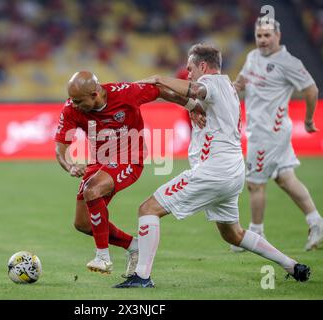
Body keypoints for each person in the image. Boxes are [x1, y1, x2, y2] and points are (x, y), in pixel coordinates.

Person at [114, 43, 311, 288]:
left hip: (214, 171)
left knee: (147, 210)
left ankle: (142, 277)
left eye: (190, 69)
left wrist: (155, 79)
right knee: (233, 234)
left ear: (203, 66)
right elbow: (182, 97)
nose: (188, 73)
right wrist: (178, 101)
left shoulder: (214, 83)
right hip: (232, 171)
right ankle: (291, 265)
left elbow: (194, 89)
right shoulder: (225, 88)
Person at [54, 71, 199, 275]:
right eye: (72, 100)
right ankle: (135, 246)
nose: (74, 105)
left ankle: (102, 257)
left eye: (79, 101)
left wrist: (193, 107)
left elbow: (159, 91)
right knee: (83, 223)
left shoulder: (125, 94)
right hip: (100, 162)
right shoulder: (71, 108)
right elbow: (60, 147)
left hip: (130, 157)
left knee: (92, 190)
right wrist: (70, 165)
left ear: (95, 94)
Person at [232, 18, 322, 252]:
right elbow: (241, 81)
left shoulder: (288, 62)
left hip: (268, 133)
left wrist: (309, 119)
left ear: (278, 36)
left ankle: (255, 233)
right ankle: (316, 222)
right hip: (264, 130)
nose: (262, 40)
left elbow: (311, 89)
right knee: (285, 178)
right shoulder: (253, 57)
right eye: (259, 35)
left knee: (254, 184)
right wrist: (230, 88)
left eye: (267, 35)